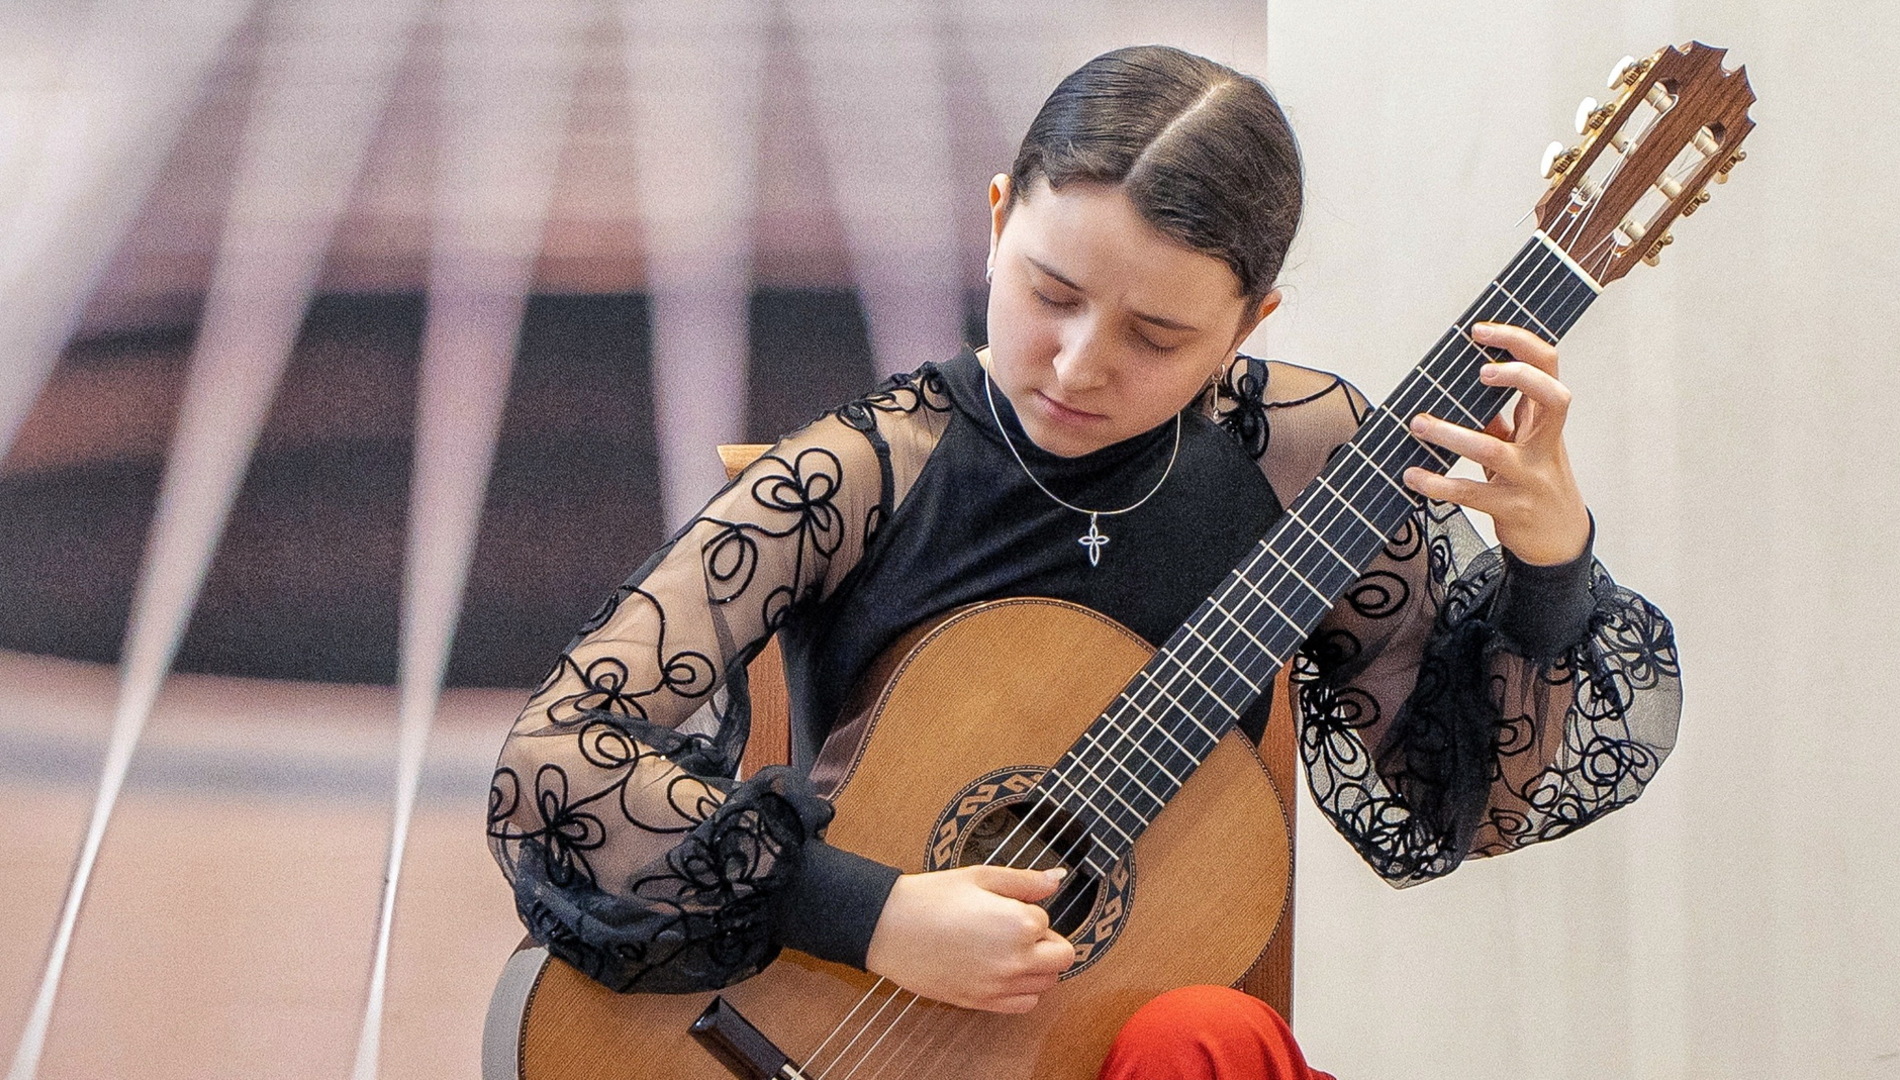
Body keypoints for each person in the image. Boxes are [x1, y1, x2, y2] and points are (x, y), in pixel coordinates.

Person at [486, 44, 1681, 1079]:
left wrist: (1548, 567)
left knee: (1209, 1039)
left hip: (1112, 1059)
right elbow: (551, 762)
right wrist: (877, 915)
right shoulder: (862, 470)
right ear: (997, 220)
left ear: (1250, 323)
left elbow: (1462, 805)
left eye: (1157, 336)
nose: (1076, 364)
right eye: (1049, 293)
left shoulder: (1300, 461)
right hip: (833, 1026)